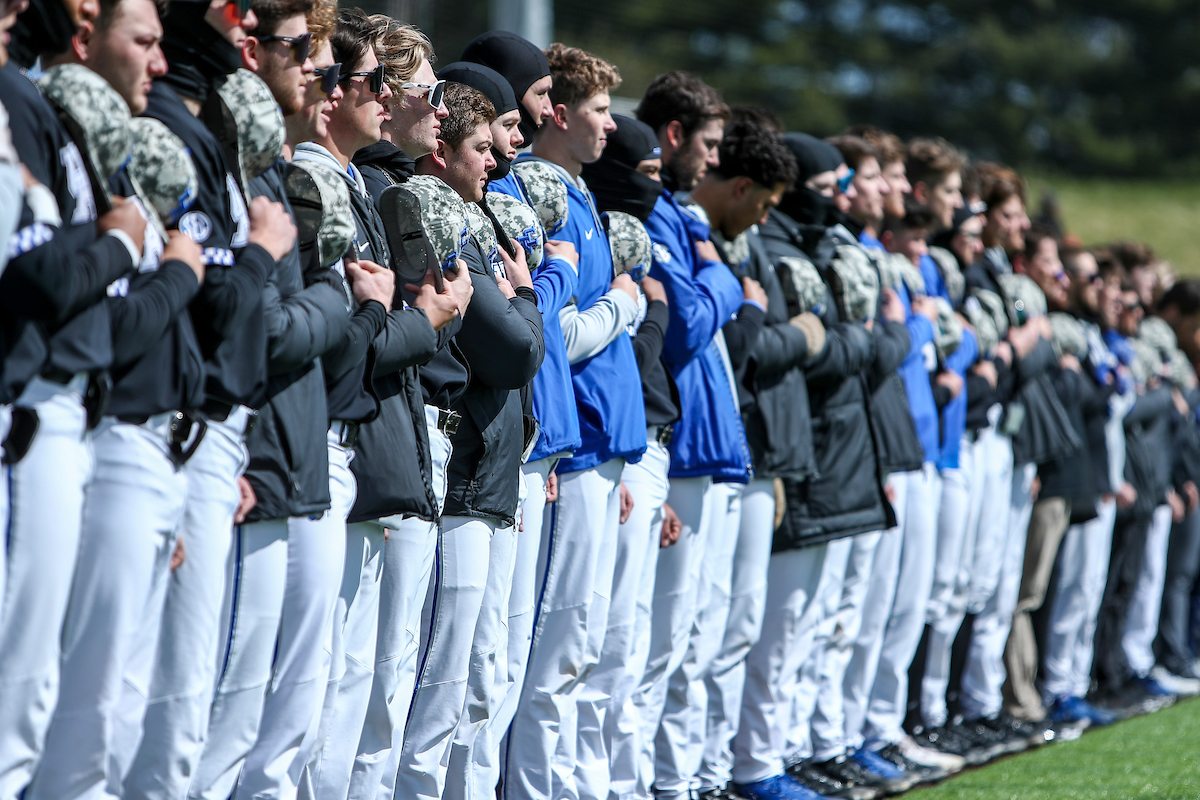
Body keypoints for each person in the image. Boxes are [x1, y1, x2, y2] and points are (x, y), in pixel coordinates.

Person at [505, 43, 647, 800]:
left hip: (599, 452)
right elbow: (549, 334)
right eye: (597, 111)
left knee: (584, 643)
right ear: (557, 114)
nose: (611, 127)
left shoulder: (579, 191)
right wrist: (623, 307)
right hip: (573, 446)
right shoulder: (540, 188)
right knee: (554, 647)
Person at [401, 81, 544, 800]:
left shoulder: (473, 217)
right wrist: (527, 296)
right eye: (483, 146)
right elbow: (514, 353)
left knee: (470, 677)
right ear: (443, 147)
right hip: (455, 474)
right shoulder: (438, 215)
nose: (495, 162)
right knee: (435, 681)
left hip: (486, 473)